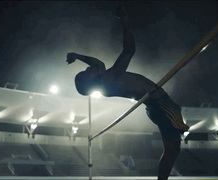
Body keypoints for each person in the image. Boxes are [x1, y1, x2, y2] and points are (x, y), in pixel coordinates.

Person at [66, 6, 189, 180]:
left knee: (172, 150)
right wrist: (125, 23)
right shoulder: (107, 80)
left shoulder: (104, 79)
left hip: (157, 105)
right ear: (91, 81)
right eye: (85, 72)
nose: (88, 68)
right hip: (159, 103)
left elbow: (97, 63)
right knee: (172, 149)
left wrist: (77, 55)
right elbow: (129, 51)